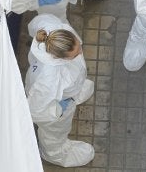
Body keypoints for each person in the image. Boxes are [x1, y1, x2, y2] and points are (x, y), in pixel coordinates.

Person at [25, 14, 95, 167]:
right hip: (54, 102)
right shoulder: (49, 80)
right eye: (75, 54)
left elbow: (37, 22)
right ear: (59, 58)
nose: (80, 52)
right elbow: (36, 111)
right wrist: (58, 110)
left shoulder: (55, 31)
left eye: (78, 46)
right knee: (55, 131)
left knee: (74, 90)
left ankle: (75, 94)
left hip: (66, 92)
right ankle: (54, 154)